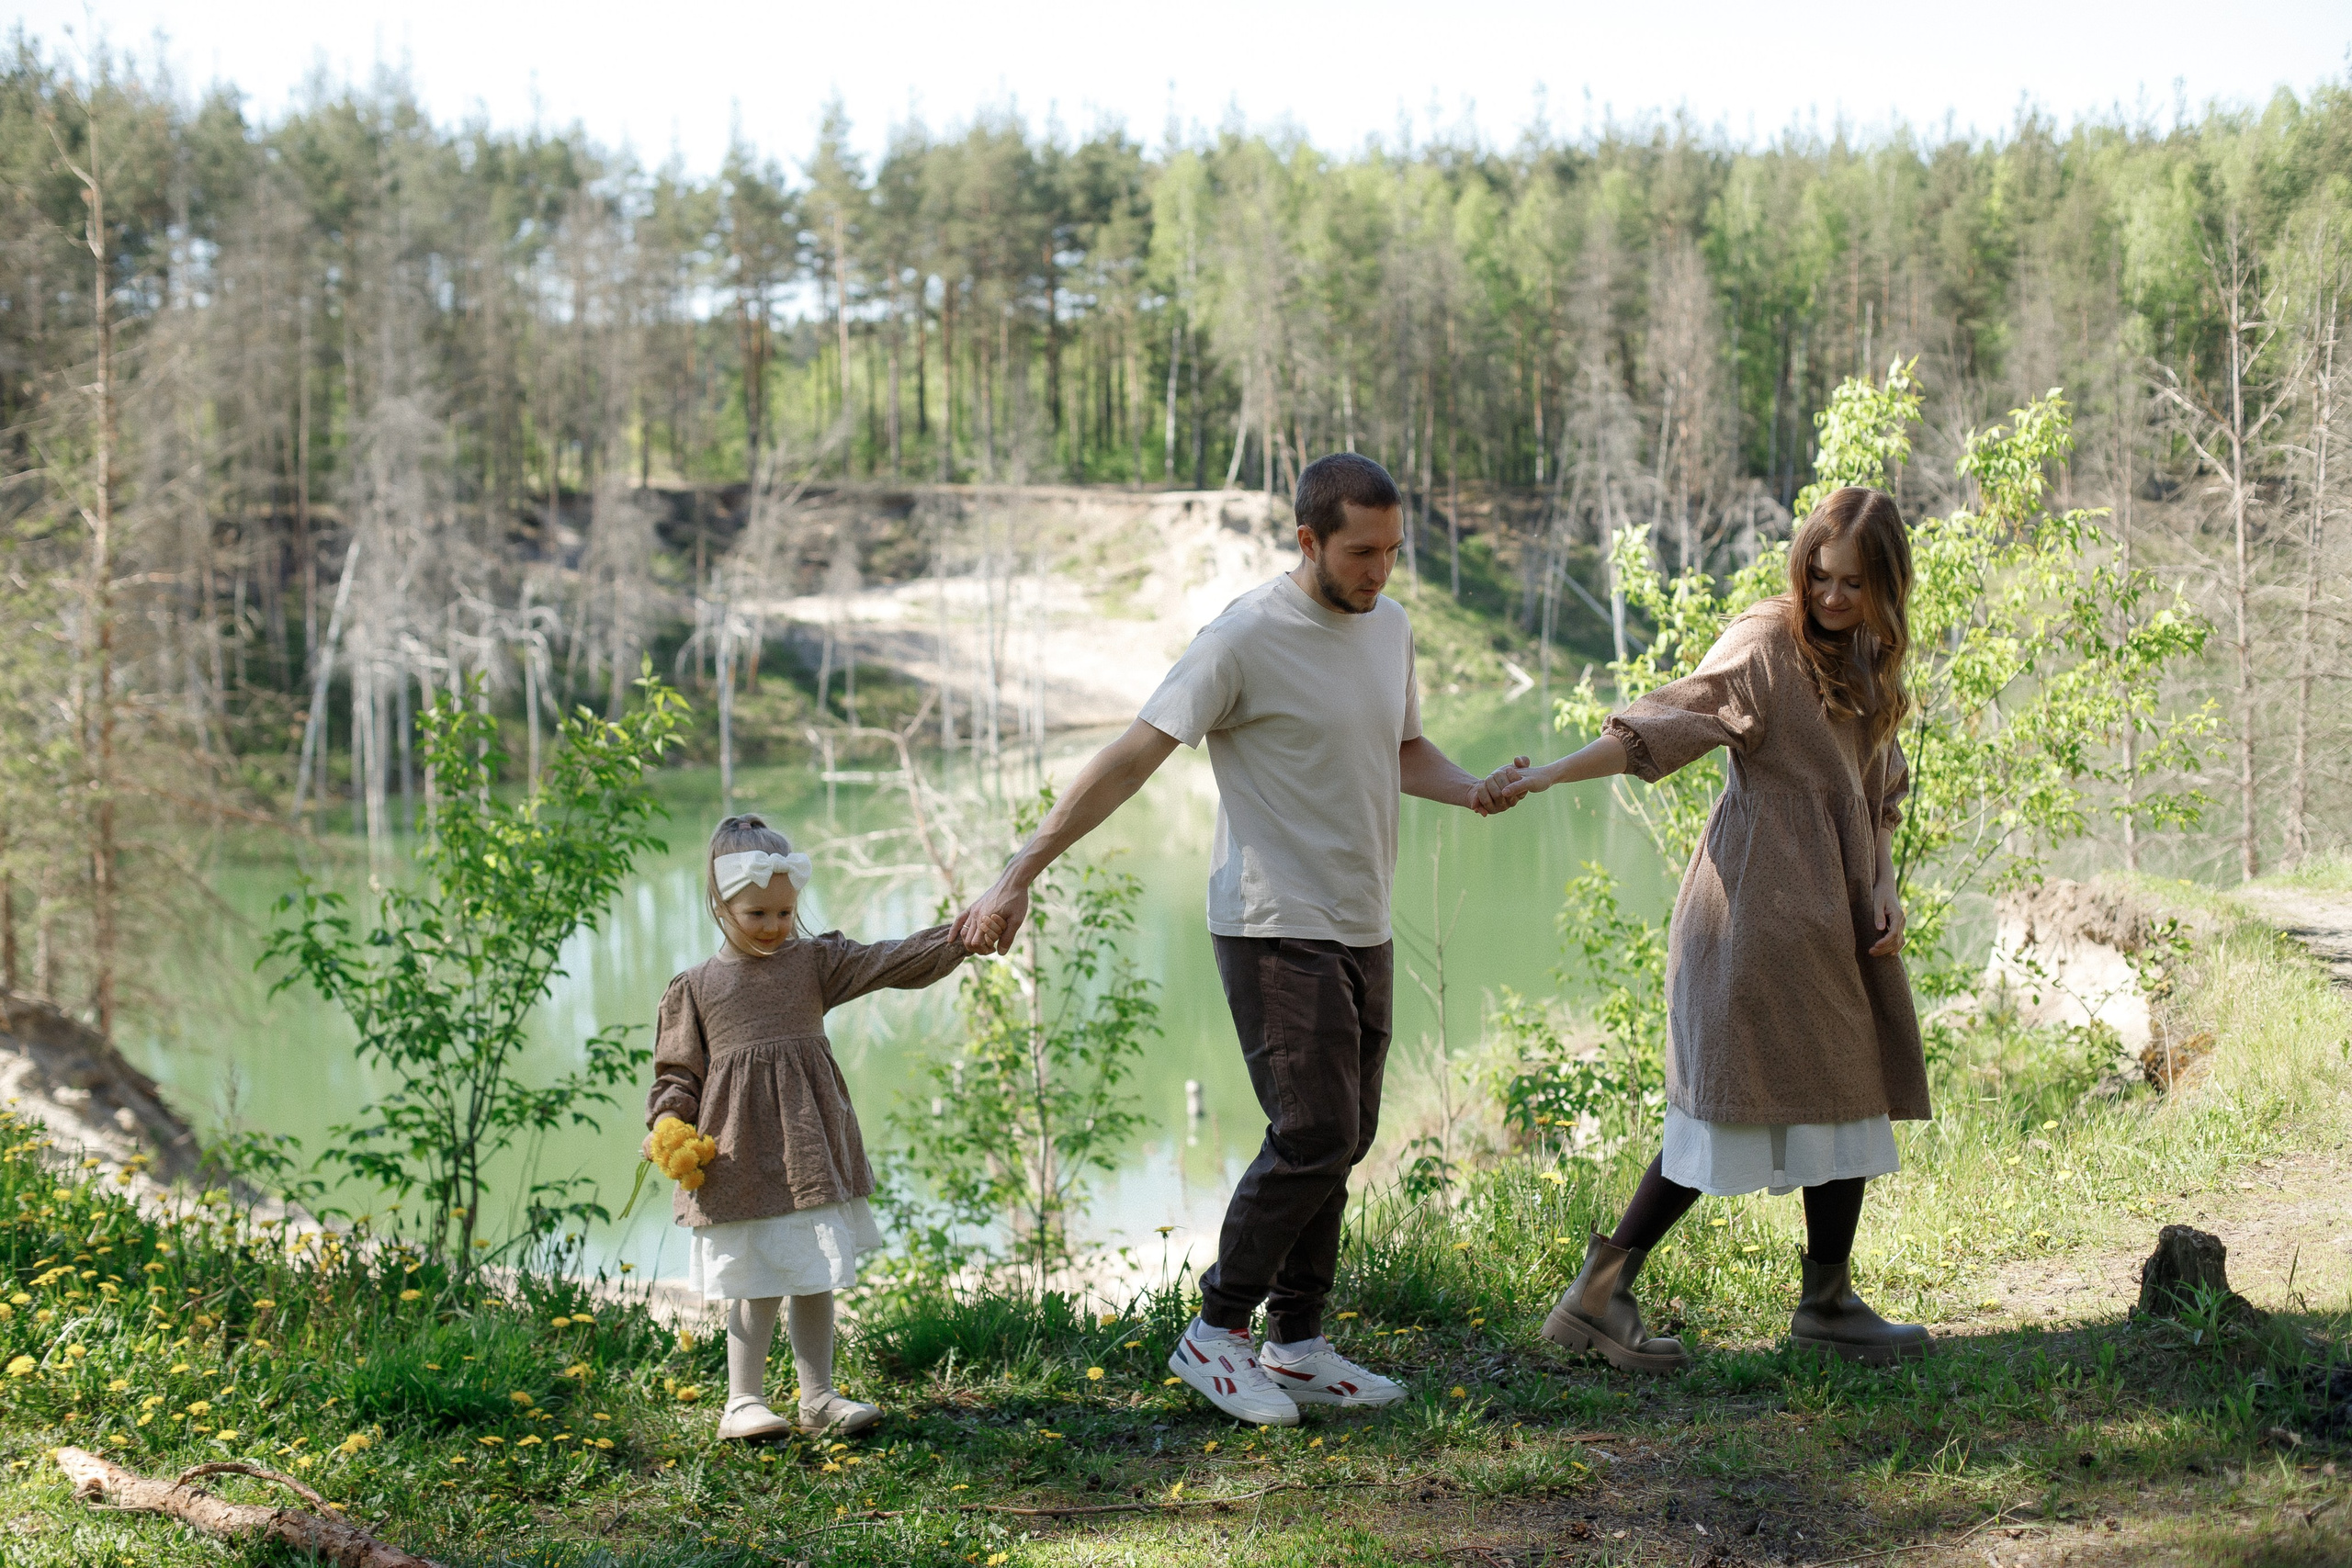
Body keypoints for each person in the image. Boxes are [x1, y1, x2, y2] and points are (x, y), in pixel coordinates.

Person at [953, 453, 1526, 1427]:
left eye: (1391, 551)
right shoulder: (1244, 638)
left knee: (1343, 1139)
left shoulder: (1389, 628)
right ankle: (1216, 1333)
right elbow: (1130, 758)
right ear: (1307, 541)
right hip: (1270, 920)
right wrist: (1018, 873)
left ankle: (1297, 1344)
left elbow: (1399, 748)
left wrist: (1467, 786)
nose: (1379, 571)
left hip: (1361, 919)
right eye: (1359, 552)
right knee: (1310, 1133)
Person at [1501, 486, 1933, 1370]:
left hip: (1835, 916)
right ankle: (1597, 1292)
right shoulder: (1768, 642)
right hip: (1752, 915)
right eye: (1818, 576)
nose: (1830, 598)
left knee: (1845, 1086)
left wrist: (1884, 884)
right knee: (1724, 1115)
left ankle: (1828, 1303)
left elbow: (1878, 790)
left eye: (1852, 583)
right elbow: (1666, 719)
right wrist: (1548, 774)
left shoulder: (1870, 656)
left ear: (1888, 585)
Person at [646, 814, 995, 1440]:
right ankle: (743, 1401)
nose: (776, 926)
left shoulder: (814, 963)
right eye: (758, 914)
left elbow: (892, 961)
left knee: (813, 1270)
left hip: (808, 1147)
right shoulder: (696, 988)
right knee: (753, 1281)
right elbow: (677, 1073)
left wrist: (959, 937)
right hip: (735, 1156)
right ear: (720, 904)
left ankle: (819, 1397)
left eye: (785, 912)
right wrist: (670, 1124)